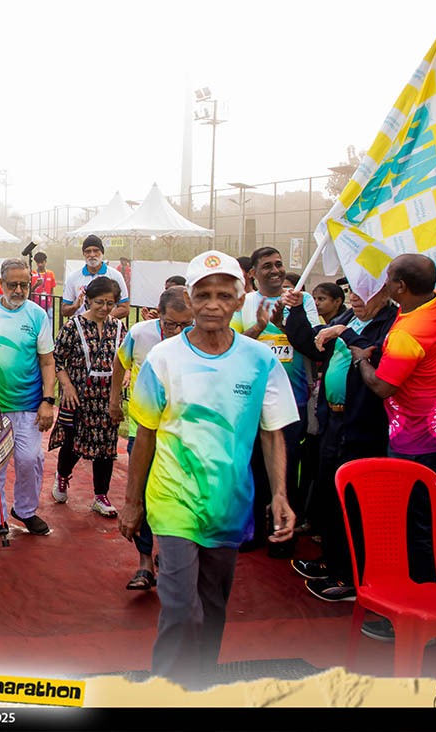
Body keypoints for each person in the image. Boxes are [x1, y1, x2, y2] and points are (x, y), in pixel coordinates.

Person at [119, 250, 298, 688]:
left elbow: (272, 432)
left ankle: (200, 684)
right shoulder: (163, 358)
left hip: (229, 504)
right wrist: (132, 502)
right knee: (182, 609)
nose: (213, 305)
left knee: (214, 607)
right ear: (190, 299)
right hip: (172, 501)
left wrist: (279, 494)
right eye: (203, 295)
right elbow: (146, 435)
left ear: (240, 299)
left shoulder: (260, 360)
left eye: (223, 295)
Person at [352, 254, 436, 640]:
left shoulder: (409, 331)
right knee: (435, 526)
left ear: (400, 287)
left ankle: (416, 616)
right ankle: (435, 606)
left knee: (414, 532)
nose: (384, 284)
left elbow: (383, 386)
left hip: (414, 443)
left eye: (389, 278)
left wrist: (362, 360)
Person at [283, 280, 397, 603]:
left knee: (355, 503)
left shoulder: (389, 323)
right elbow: (312, 344)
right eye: (353, 291)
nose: (356, 298)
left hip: (362, 423)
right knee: (331, 496)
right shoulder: (349, 317)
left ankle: (351, 575)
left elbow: (374, 356)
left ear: (385, 292)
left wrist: (343, 333)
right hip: (333, 420)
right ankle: (331, 562)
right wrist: (296, 309)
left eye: (365, 291)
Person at [231, 247, 319, 557]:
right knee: (253, 468)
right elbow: (233, 346)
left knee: (286, 469)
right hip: (251, 400)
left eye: (279, 264)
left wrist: (284, 324)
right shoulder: (244, 303)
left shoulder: (302, 301)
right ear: (253, 273)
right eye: (267, 265)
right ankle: (252, 530)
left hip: (291, 400)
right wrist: (260, 325)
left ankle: (282, 535)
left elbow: (313, 344)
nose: (275, 270)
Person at [111, 286, 193, 590]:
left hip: (183, 435)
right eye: (171, 324)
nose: (179, 332)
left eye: (187, 324)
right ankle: (145, 561)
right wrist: (114, 400)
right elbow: (120, 362)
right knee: (142, 494)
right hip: (143, 431)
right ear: (158, 315)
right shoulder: (140, 334)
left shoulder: (200, 341)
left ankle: (171, 553)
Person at [0, 258, 56, 538]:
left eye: (24, 285)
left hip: (29, 404)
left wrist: (48, 401)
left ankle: (26, 510)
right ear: (2, 283)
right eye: (12, 284)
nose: (18, 290)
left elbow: (47, 361)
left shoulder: (37, 315)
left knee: (29, 459)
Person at [48, 276, 126, 516]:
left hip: (108, 397)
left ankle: (101, 495)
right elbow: (56, 359)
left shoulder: (118, 327)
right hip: (78, 396)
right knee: (72, 442)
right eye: (99, 302)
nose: (104, 308)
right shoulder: (73, 326)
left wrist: (126, 374)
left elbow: (126, 358)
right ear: (88, 300)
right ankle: (62, 476)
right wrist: (67, 386)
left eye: (110, 303)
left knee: (107, 446)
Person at [61, 235, 130, 320]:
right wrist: (75, 306)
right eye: (88, 251)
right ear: (83, 254)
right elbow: (64, 311)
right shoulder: (73, 277)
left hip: (107, 326)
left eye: (96, 250)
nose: (92, 254)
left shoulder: (115, 275)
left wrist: (102, 319)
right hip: (81, 326)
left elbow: (124, 308)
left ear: (102, 252)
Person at [30, 251, 57, 321]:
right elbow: (29, 291)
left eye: (42, 262)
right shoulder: (32, 273)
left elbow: (52, 290)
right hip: (35, 304)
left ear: (45, 261)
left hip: (48, 305)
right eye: (38, 263)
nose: (40, 265)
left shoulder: (50, 274)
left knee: (49, 323)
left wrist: (51, 303)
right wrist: (36, 285)